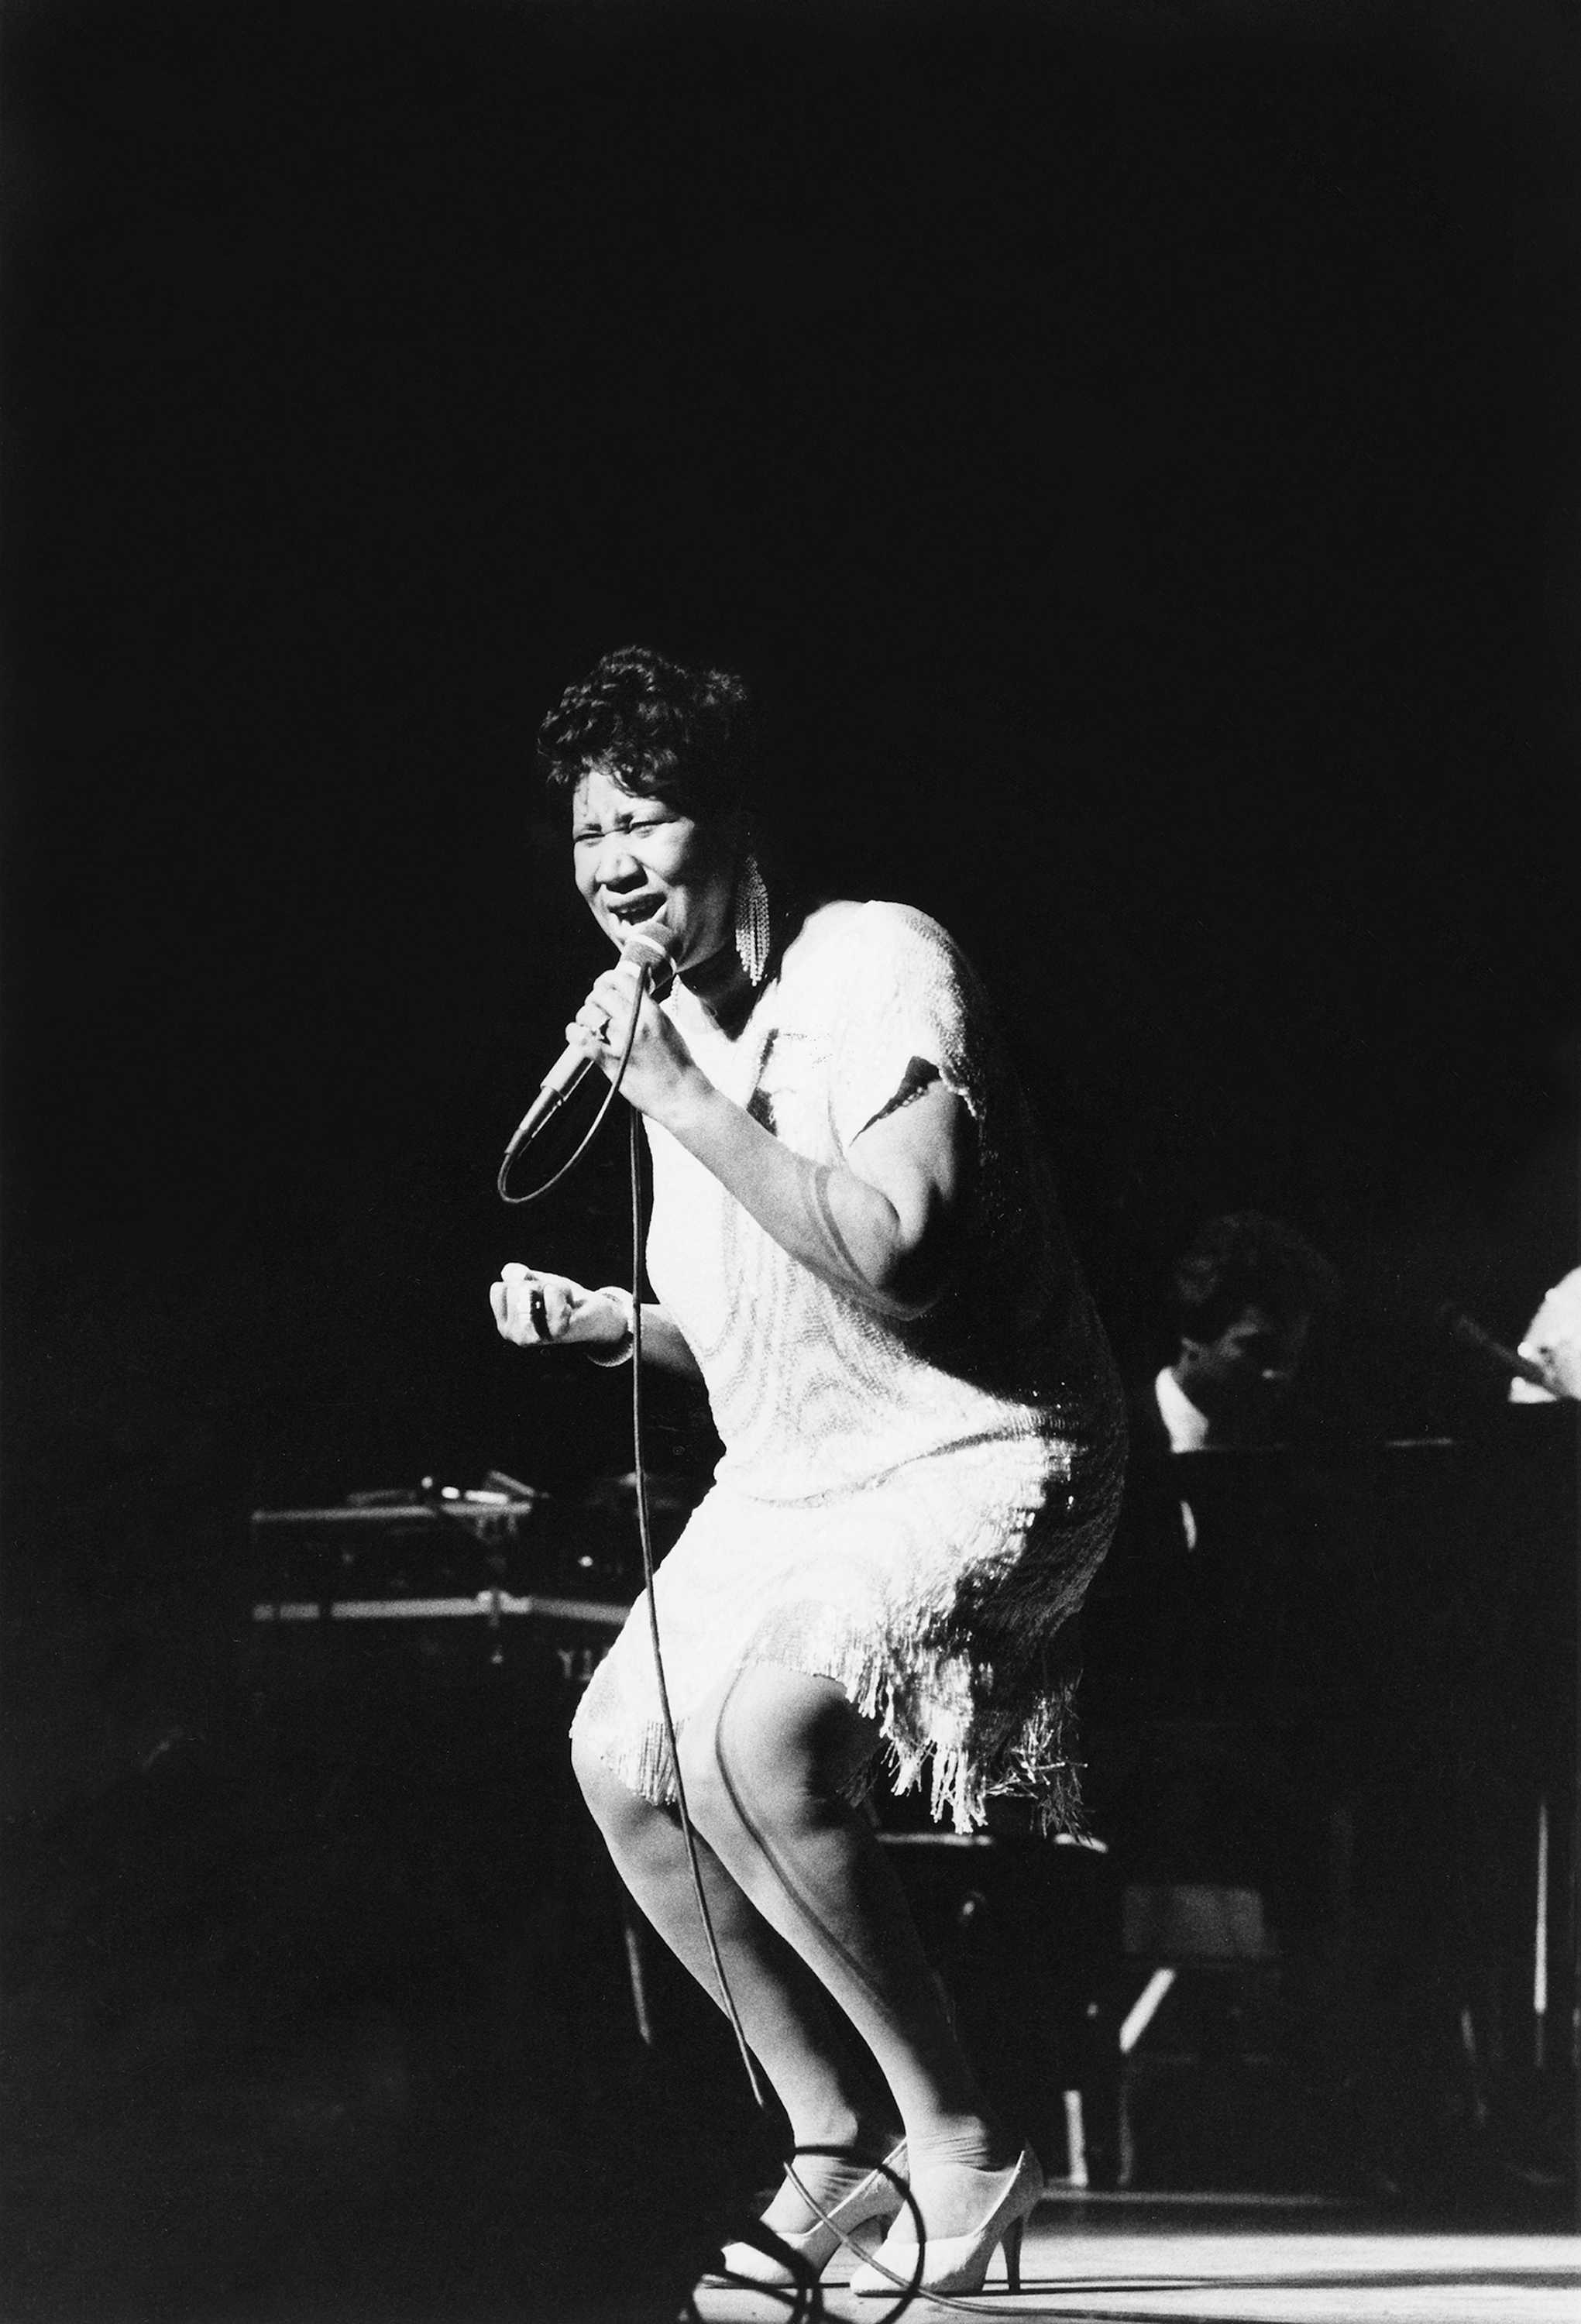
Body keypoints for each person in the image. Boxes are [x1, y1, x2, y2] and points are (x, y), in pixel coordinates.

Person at [489, 645, 1126, 2295]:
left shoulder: (874, 965)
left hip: (980, 1443)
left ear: (733, 820)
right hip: (795, 1475)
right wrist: (616, 1324)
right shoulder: (673, 1038)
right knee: (623, 1756)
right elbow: (770, 1322)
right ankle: (832, 2142)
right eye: (584, 837)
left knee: (759, 1738)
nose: (613, 865)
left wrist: (684, 1102)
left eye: (644, 819)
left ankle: (961, 2141)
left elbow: (898, 1254)